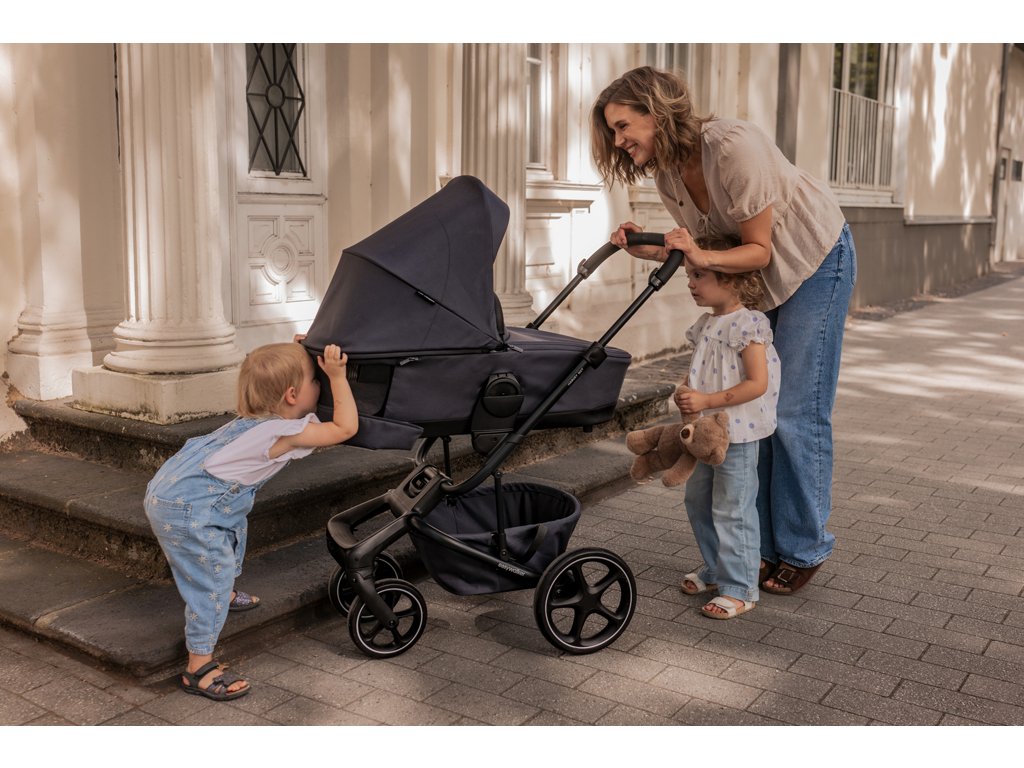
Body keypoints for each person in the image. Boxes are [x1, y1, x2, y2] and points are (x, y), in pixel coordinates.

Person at [592, 66, 856, 595]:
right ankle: (757, 548)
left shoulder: (733, 147)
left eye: (623, 126)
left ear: (656, 112)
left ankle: (802, 545)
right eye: (612, 132)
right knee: (751, 416)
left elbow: (756, 249)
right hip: (756, 281)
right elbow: (706, 247)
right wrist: (645, 247)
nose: (618, 142)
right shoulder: (668, 174)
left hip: (812, 264)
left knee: (794, 411)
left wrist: (696, 251)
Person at [144, 341, 358, 700]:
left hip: (175, 491)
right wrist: (338, 376)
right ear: (292, 395)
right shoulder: (283, 433)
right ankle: (198, 668)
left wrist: (302, 348)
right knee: (209, 583)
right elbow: (344, 428)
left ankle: (224, 590)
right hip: (190, 508)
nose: (319, 383)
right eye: (314, 379)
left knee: (232, 523)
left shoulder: (255, 422)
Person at [675, 238, 780, 619]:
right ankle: (717, 568)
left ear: (731, 279)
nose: (690, 283)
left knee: (733, 508)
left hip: (738, 433)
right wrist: (686, 392)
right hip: (706, 434)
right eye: (689, 276)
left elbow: (757, 383)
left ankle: (740, 587)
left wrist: (705, 400)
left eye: (699, 275)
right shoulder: (705, 324)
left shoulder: (748, 324)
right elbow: (700, 369)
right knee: (698, 500)